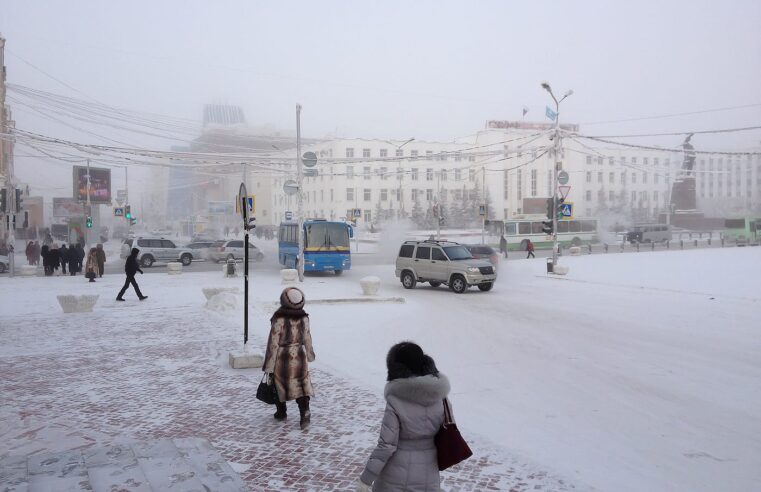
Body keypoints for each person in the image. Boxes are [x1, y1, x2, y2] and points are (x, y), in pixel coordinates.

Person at [357, 342, 451, 492]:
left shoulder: (396, 400)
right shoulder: (440, 397)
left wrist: (365, 480)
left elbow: (386, 446)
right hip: (428, 472)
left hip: (394, 477)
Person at [263, 287, 315, 430]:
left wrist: (269, 365)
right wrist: (309, 354)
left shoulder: (279, 318)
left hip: (282, 357)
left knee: (278, 384)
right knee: (301, 385)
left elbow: (273, 343)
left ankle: (281, 412)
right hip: (299, 355)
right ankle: (305, 412)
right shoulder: (304, 317)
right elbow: (307, 338)